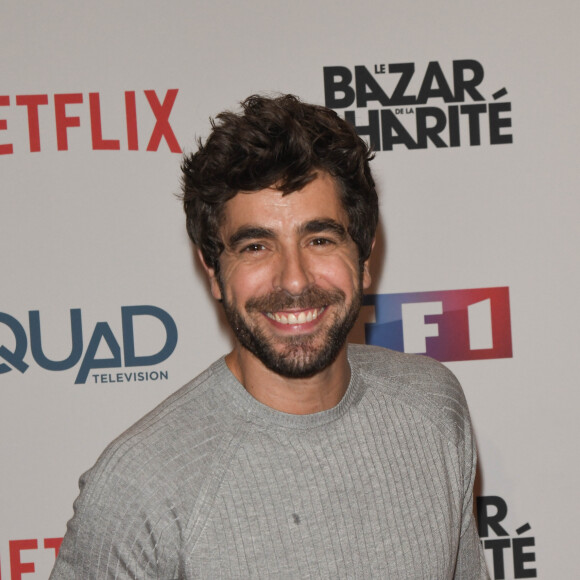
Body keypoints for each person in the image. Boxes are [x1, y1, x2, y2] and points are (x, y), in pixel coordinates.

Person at [51, 94, 489, 578]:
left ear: (363, 255)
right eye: (256, 246)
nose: (295, 280)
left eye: (319, 239)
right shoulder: (141, 485)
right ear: (214, 271)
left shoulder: (432, 406)